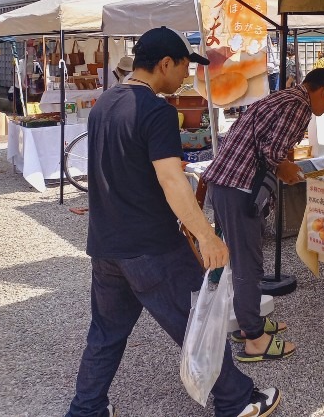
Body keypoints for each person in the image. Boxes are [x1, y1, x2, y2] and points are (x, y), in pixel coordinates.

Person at [65, 27, 280, 417]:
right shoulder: (158, 110)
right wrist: (206, 236)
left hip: (106, 245)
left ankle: (86, 409)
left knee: (106, 333)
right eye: (183, 66)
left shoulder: (104, 104)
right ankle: (236, 400)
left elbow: (119, 166)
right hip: (151, 246)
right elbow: (170, 179)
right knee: (195, 325)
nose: (186, 76)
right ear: (165, 63)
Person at [203, 68, 324, 363]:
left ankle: (247, 320)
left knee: (248, 258)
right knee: (248, 264)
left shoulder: (284, 97)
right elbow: (273, 152)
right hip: (238, 188)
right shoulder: (299, 105)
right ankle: (253, 338)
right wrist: (289, 171)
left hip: (227, 183)